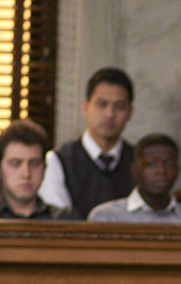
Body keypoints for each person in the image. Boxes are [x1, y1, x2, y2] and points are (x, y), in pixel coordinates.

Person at [38, 67, 136, 218]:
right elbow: (59, 222)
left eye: (119, 107)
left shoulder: (140, 161)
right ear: (85, 107)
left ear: (130, 113)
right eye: (102, 104)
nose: (109, 114)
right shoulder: (58, 160)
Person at [0, 120, 79, 220]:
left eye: (34, 164)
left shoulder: (65, 219)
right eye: (15, 164)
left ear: (44, 169)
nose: (26, 173)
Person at [88, 133, 181, 224]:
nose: (161, 171)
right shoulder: (107, 218)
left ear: (178, 170)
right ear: (135, 170)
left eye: (169, 165)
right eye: (151, 164)